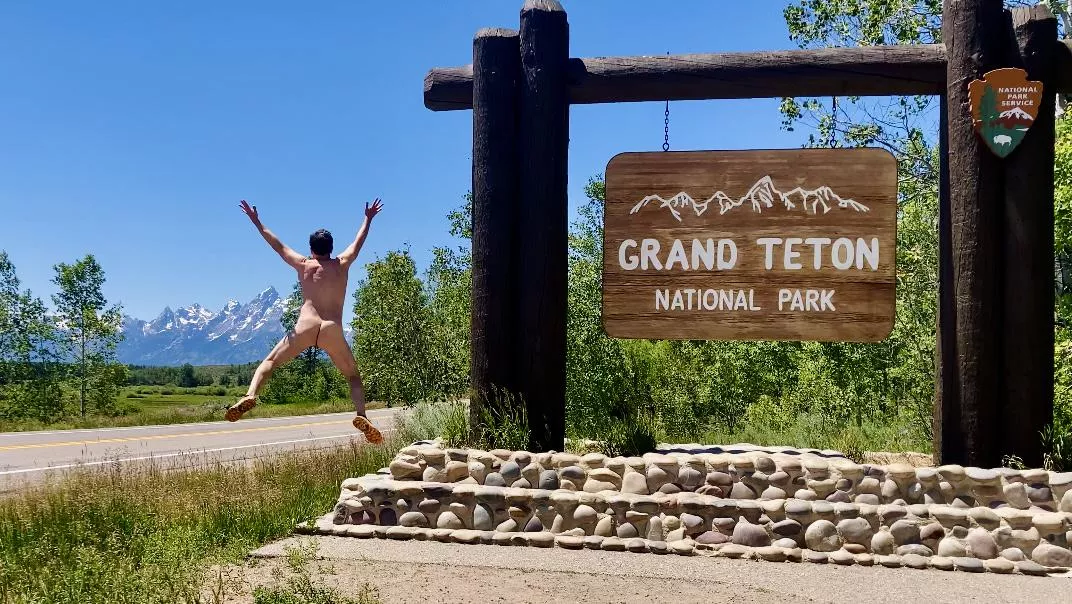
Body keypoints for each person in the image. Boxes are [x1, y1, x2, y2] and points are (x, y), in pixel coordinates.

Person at [225, 198, 384, 444]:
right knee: (353, 376)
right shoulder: (342, 264)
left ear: (311, 249)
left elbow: (277, 245)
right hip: (332, 328)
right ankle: (362, 415)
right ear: (331, 247)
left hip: (306, 325)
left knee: (269, 362)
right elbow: (358, 242)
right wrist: (368, 218)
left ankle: (251, 394)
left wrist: (256, 221)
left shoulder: (303, 265)